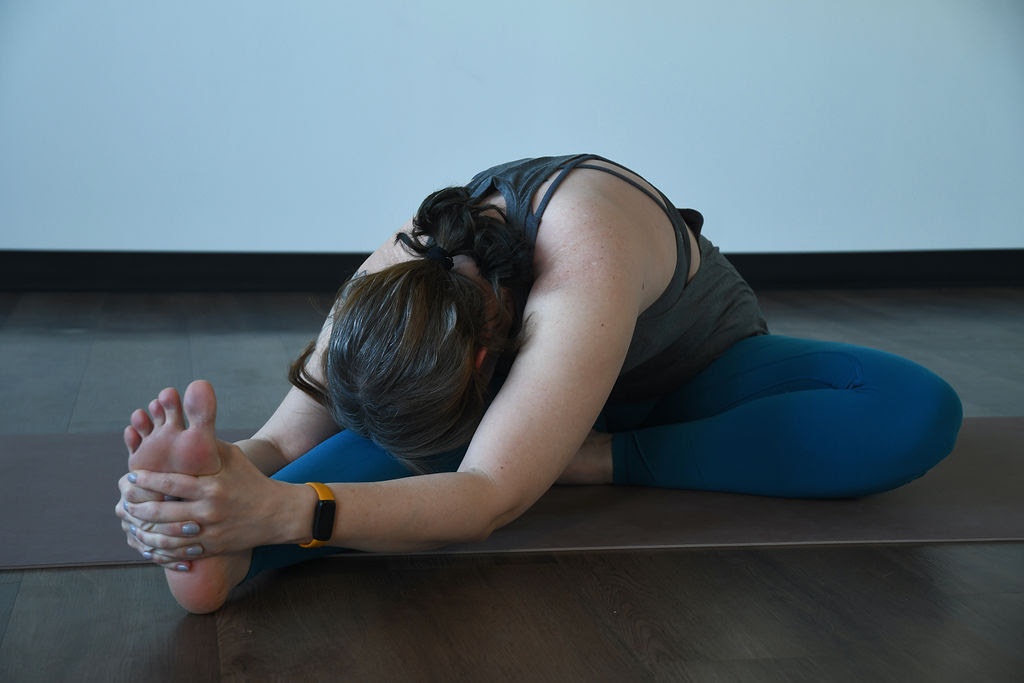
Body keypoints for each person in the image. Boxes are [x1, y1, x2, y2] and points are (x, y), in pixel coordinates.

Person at [114, 154, 963, 614]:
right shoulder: (395, 276)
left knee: (913, 411)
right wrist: (213, 485)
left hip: (687, 383)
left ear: (484, 362)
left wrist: (296, 511)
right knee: (361, 445)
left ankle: (592, 458)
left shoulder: (583, 252)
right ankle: (228, 553)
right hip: (496, 415)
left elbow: (485, 495)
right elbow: (284, 436)